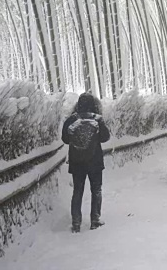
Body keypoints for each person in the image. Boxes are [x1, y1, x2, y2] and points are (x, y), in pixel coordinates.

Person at [62, 93, 110, 233]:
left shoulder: (71, 120)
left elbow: (65, 139)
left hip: (77, 162)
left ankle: (76, 222)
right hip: (94, 162)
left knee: (77, 191)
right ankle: (95, 220)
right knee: (96, 190)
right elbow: (105, 137)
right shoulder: (97, 119)